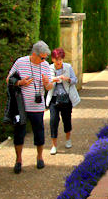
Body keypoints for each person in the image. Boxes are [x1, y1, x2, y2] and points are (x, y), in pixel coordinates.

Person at [6, 41, 53, 173]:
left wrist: (47, 83)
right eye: (42, 57)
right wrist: (20, 82)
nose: (44, 60)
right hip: (21, 106)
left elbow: (49, 87)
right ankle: (18, 160)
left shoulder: (45, 66)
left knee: (39, 131)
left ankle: (39, 157)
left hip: (37, 107)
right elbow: (8, 79)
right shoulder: (21, 62)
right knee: (19, 132)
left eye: (45, 58)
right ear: (34, 54)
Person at [46, 48, 81, 155]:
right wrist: (53, 80)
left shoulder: (68, 67)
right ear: (52, 59)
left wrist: (67, 79)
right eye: (56, 59)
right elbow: (46, 83)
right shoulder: (49, 68)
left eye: (60, 59)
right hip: (54, 98)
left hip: (66, 98)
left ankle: (68, 139)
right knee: (53, 121)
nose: (58, 61)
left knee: (67, 120)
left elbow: (75, 80)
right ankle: (54, 145)